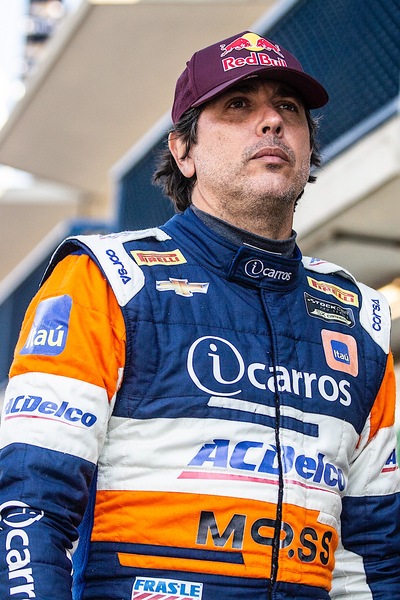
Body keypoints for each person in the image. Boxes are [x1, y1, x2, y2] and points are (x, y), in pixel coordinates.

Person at [0, 29, 399, 600]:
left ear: (310, 146)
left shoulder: (358, 317)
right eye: (238, 105)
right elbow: (29, 508)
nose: (272, 121)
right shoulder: (109, 279)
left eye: (289, 108)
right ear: (183, 152)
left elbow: (376, 554)